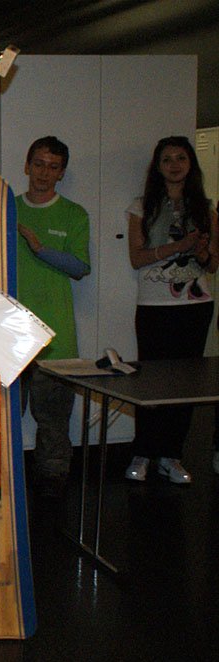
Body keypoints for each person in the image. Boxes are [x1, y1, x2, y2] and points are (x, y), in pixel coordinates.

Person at [124, 136, 219, 484]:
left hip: (195, 306)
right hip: (154, 306)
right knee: (151, 382)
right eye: (167, 159)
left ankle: (171, 455)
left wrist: (200, 250)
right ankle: (143, 452)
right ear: (158, 166)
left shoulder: (205, 209)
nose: (175, 165)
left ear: (191, 164)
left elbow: (212, 265)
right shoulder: (142, 206)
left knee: (185, 384)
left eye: (181, 158)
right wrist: (178, 246)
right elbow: (137, 258)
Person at [15, 137, 91, 499]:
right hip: (9, 335)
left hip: (55, 338)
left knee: (53, 421)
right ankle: (4, 481)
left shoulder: (74, 214)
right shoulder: (7, 209)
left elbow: (80, 268)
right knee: (3, 419)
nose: (44, 173)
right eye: (39, 164)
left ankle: (54, 489)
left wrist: (40, 248)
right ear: (27, 165)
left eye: (53, 166)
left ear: (61, 173)